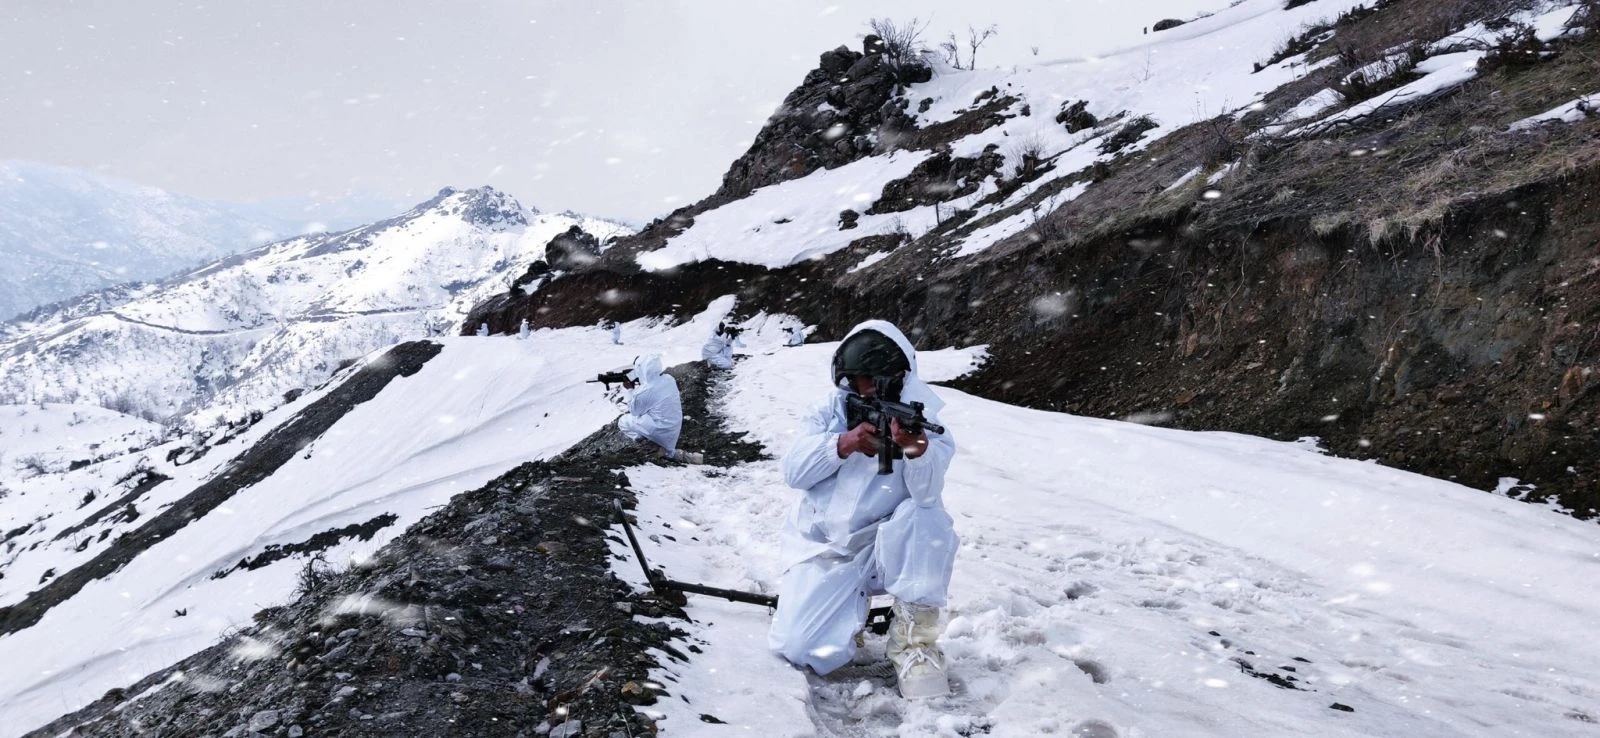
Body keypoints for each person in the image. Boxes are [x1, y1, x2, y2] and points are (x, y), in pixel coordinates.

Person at [768, 320, 958, 699]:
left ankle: (915, 644)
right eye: (859, 379)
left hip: (886, 548)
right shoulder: (828, 412)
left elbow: (927, 492)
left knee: (927, 518)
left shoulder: (925, 420)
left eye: (877, 378)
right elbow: (794, 472)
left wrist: (914, 448)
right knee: (801, 647)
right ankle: (845, 620)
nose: (867, 388)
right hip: (826, 548)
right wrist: (844, 443)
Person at [616, 354, 703, 464]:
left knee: (623, 421)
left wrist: (629, 390)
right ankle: (669, 451)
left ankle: (650, 446)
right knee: (650, 415)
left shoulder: (644, 391)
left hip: (659, 432)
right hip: (673, 432)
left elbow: (634, 411)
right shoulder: (669, 379)